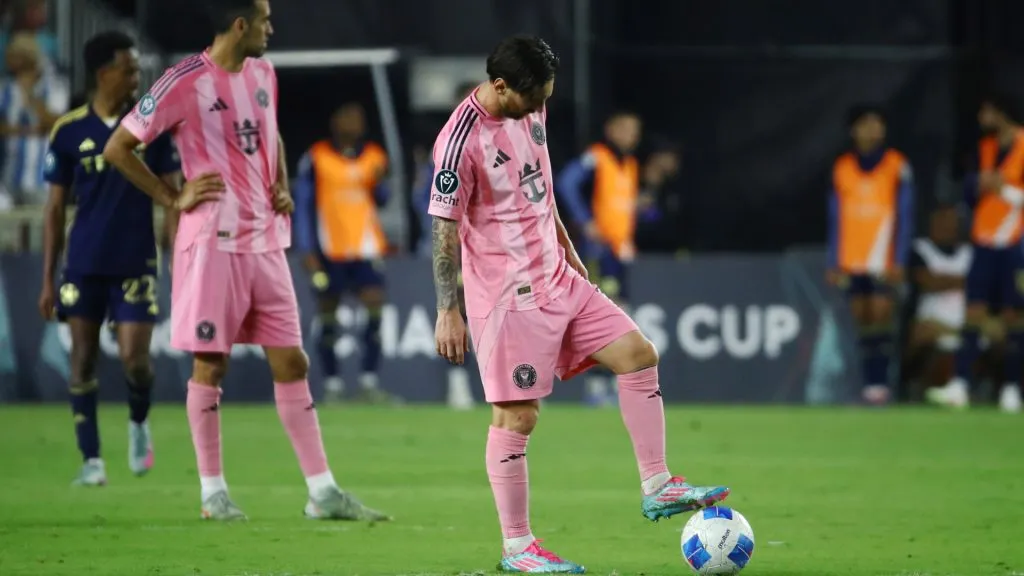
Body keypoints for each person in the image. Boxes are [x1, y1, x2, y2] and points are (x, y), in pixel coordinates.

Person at [428, 35, 729, 573]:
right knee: (517, 416)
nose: (541, 105)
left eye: (547, 95)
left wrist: (567, 249)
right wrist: (447, 309)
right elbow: (444, 229)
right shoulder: (459, 142)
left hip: (559, 278)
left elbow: (539, 188)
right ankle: (518, 548)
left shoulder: (533, 109)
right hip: (507, 297)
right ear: (500, 87)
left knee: (638, 355)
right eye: (533, 96)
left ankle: (657, 485)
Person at [103, 0, 389, 521]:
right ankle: (213, 492)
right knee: (212, 364)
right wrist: (173, 198)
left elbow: (269, 130)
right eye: (265, 19)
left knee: (292, 361)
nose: (271, 28)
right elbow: (119, 147)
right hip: (213, 242)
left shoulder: (263, 72)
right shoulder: (183, 81)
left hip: (265, 241)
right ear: (241, 25)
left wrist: (278, 182)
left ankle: (322, 492)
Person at [36, 31, 174, 487]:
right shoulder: (69, 130)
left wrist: (177, 254)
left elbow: (174, 195)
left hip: (136, 259)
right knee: (83, 360)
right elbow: (54, 209)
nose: (137, 77)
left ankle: (138, 423)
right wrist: (47, 278)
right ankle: (92, 460)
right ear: (104, 73)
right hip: (85, 261)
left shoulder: (149, 125)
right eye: (129, 68)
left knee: (136, 358)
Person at [294, 102, 399, 403]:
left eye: (358, 119)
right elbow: (304, 205)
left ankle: (369, 381)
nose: (353, 123)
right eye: (347, 118)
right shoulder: (316, 158)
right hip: (330, 249)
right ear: (334, 122)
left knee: (375, 307)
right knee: (328, 313)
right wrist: (306, 249)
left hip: (366, 247)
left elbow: (381, 198)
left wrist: (380, 181)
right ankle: (333, 385)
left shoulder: (375, 156)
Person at [929, 96, 1024, 412]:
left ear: (1003, 112)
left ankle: (1013, 388)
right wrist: (977, 185)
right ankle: (961, 384)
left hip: (1015, 243)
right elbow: (970, 195)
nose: (982, 116)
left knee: (1014, 318)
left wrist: (1005, 190)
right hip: (984, 241)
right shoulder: (984, 148)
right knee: (973, 314)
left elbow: (1008, 192)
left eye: (987, 110)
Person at [826, 105, 914, 405]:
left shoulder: (896, 165)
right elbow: (835, 217)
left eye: (877, 124)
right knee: (861, 320)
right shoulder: (843, 168)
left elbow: (905, 214)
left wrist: (899, 259)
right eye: (865, 124)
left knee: (880, 317)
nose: (872, 130)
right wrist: (833, 260)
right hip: (852, 257)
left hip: (883, 257)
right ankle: (868, 384)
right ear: (854, 130)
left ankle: (880, 382)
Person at [904, 205, 971, 400]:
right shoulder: (920, 250)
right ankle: (916, 386)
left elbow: (983, 283)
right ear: (932, 223)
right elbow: (927, 281)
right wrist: (965, 281)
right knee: (923, 334)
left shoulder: (970, 252)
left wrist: (944, 281)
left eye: (951, 221)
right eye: (942, 220)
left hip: (965, 323)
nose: (947, 226)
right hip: (933, 322)